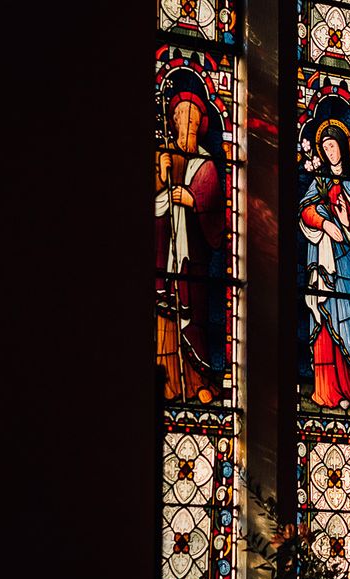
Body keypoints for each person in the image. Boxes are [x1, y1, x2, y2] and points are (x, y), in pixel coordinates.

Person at [298, 119, 350, 409]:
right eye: (326, 147)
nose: (330, 152)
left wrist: (345, 221)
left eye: (334, 146)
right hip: (323, 263)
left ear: (343, 149)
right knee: (321, 321)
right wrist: (325, 223)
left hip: (346, 269)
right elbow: (305, 213)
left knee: (347, 324)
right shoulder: (319, 185)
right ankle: (326, 391)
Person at [155, 90, 226, 403]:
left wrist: (192, 200)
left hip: (192, 260)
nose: (188, 126)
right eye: (183, 119)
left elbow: (215, 215)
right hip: (163, 253)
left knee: (193, 316)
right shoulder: (164, 156)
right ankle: (167, 380)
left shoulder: (206, 165)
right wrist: (161, 175)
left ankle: (197, 380)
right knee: (164, 312)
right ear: (174, 122)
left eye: (194, 121)